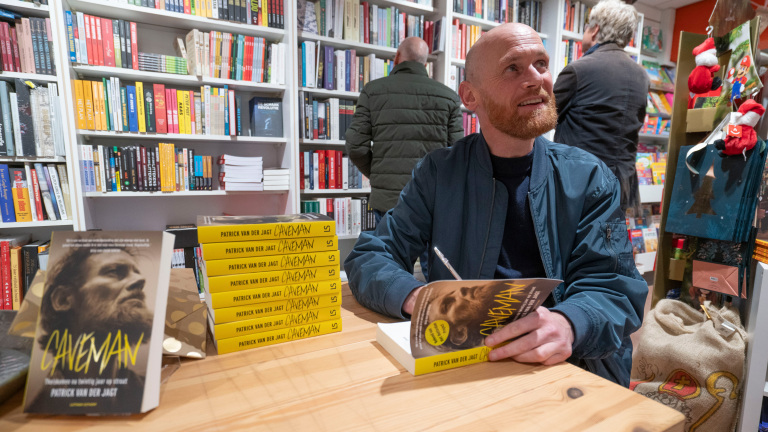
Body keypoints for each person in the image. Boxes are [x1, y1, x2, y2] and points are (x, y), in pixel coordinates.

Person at [344, 23, 647, 386]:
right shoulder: (438, 173)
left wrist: (569, 322)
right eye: (513, 68)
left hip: (568, 369)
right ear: (470, 97)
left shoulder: (589, 178)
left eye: (541, 63)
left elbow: (614, 287)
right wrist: (416, 297)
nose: (537, 79)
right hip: (464, 366)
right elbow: (371, 255)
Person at [345, 36, 464, 279]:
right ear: (426, 64)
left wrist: (378, 174)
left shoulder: (373, 91)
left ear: (396, 59)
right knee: (437, 271)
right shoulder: (449, 97)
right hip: (435, 199)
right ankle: (437, 315)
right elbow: (458, 153)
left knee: (391, 271)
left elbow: (355, 146)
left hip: (389, 198)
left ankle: (393, 315)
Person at [25, 243, 153, 413]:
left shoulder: (148, 393)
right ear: (63, 299)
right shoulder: (38, 409)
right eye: (114, 271)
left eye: (136, 273)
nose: (140, 280)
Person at [553, 0, 649, 215]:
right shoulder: (641, 75)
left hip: (579, 183)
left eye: (587, 26)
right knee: (607, 244)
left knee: (568, 245)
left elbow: (544, 117)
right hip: (622, 183)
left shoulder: (580, 69)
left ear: (595, 30)